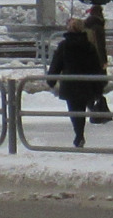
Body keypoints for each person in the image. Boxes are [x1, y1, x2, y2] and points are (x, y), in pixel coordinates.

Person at [45, 14, 105, 146]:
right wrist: (99, 85)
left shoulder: (64, 46)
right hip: (85, 83)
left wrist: (51, 80)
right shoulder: (89, 46)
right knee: (82, 109)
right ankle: (80, 133)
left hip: (70, 83)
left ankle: (79, 134)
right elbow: (96, 66)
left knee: (74, 110)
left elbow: (56, 64)